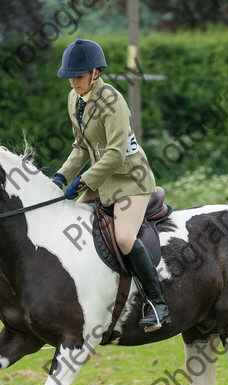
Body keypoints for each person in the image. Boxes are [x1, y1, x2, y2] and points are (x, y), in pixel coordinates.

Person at [51, 38, 171, 333]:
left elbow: (116, 154)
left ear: (95, 73)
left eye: (78, 77)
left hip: (131, 179)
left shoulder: (112, 101)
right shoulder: (75, 99)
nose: (73, 83)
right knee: (71, 226)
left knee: (125, 238)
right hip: (103, 177)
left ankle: (157, 303)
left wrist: (83, 181)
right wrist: (61, 177)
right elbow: (80, 147)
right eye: (69, 78)